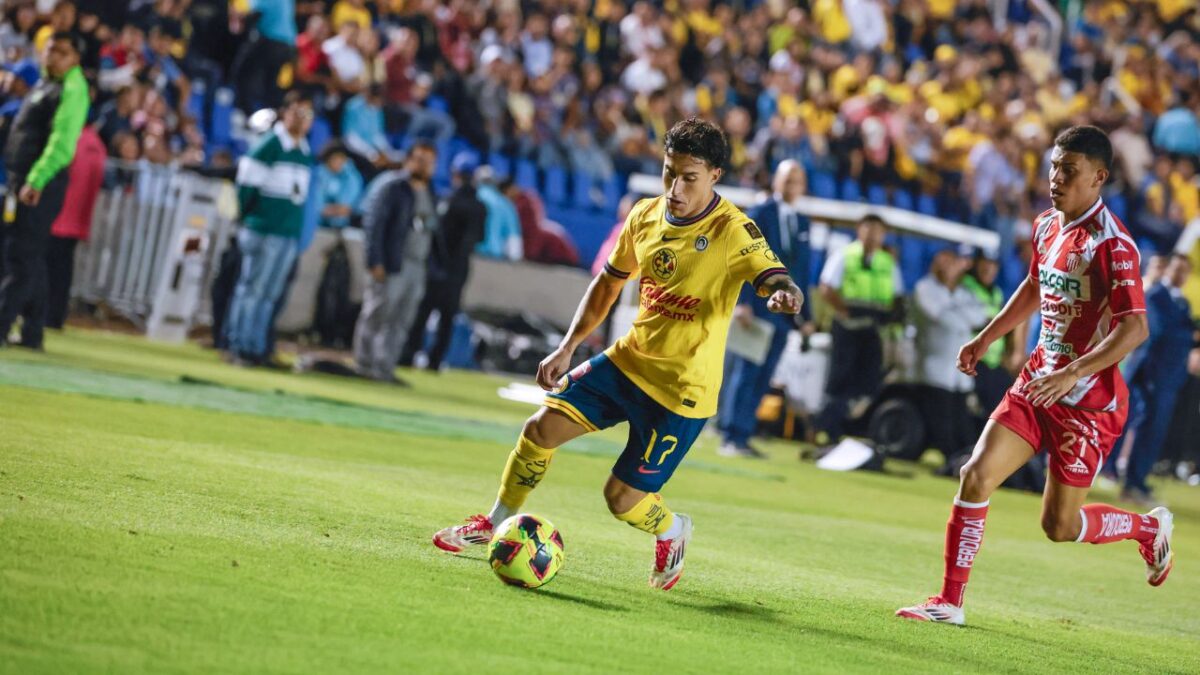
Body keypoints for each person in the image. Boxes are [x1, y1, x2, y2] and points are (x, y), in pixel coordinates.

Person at [432, 118, 805, 590]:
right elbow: (607, 284)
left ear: (714, 175)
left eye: (689, 177)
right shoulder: (645, 215)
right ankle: (493, 522)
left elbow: (771, 274)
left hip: (682, 392)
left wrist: (783, 293)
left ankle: (673, 529)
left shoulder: (734, 230)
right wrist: (568, 347)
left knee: (621, 499)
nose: (675, 187)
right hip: (628, 362)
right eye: (669, 172)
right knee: (540, 428)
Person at [897, 126, 1174, 626]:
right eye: (1053, 166)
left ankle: (1146, 531)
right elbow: (1033, 285)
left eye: (1069, 170)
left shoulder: (1115, 247)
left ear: (1099, 177)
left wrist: (1073, 372)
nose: (1055, 178)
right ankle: (949, 601)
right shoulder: (1047, 224)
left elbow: (1135, 329)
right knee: (975, 475)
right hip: (1035, 383)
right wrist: (987, 336)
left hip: (1088, 402)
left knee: (1059, 525)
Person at [718, 159, 812, 458]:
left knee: (764, 375)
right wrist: (743, 302)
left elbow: (802, 272)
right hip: (757, 308)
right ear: (776, 181)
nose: (791, 185)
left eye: (797, 180)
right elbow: (744, 258)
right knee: (745, 371)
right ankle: (730, 435)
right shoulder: (760, 213)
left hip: (784, 314)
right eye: (787, 179)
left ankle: (744, 434)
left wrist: (804, 316)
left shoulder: (802, 223)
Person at [0, 32, 88, 350]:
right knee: (29, 256)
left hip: (39, 183)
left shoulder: (72, 88)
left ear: (74, 58)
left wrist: (36, 180)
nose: (51, 57)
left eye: (60, 52)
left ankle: (3, 323)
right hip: (22, 180)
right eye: (49, 50)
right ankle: (33, 331)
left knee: (20, 255)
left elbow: (62, 144)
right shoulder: (46, 82)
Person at [224, 91, 314, 365]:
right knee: (253, 289)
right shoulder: (269, 146)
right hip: (264, 230)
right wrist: (253, 219)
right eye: (297, 112)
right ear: (284, 113)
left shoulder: (304, 151)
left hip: (287, 233)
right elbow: (246, 190)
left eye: (307, 115)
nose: (302, 120)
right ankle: (239, 345)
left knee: (269, 294)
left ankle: (257, 346)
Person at [353, 141, 438, 383]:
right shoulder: (392, 187)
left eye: (429, 162)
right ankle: (364, 363)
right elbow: (374, 225)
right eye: (419, 159)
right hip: (393, 261)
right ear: (408, 160)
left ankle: (385, 367)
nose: (423, 166)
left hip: (417, 265)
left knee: (402, 319)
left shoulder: (430, 192)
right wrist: (374, 260)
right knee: (378, 313)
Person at [816, 213, 903, 443]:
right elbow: (826, 287)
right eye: (869, 228)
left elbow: (897, 295)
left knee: (868, 381)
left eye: (878, 230)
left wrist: (892, 317)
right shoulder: (845, 255)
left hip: (872, 329)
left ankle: (847, 425)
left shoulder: (887, 262)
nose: (873, 235)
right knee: (839, 379)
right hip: (846, 326)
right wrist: (843, 310)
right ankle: (829, 430)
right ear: (859, 230)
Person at [1117, 254, 1194, 506]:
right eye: (1176, 268)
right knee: (1142, 427)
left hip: (1170, 379)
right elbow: (1156, 332)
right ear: (1168, 268)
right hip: (1152, 376)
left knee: (1154, 431)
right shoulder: (1155, 295)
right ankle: (1130, 482)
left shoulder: (1182, 304)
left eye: (1185, 271)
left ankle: (1136, 481)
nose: (1179, 274)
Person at [400, 151, 487, 371]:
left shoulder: (449, 201)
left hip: (439, 265)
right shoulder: (480, 207)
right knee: (447, 317)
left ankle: (410, 354)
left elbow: (437, 234)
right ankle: (435, 360)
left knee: (424, 312)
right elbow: (479, 238)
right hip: (460, 268)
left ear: (455, 174)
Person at [912, 245, 986, 459]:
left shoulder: (965, 292)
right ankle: (950, 461)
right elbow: (943, 318)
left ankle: (959, 460)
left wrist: (957, 314)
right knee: (941, 425)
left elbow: (979, 316)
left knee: (962, 424)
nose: (949, 265)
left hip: (959, 374)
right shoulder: (925, 287)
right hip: (934, 368)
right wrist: (963, 318)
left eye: (954, 261)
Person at [45, 120, 105, 329]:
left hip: (58, 216)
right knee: (64, 270)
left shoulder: (72, 140)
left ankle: (45, 315)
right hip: (78, 221)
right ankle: (56, 316)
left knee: (48, 270)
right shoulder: (97, 145)